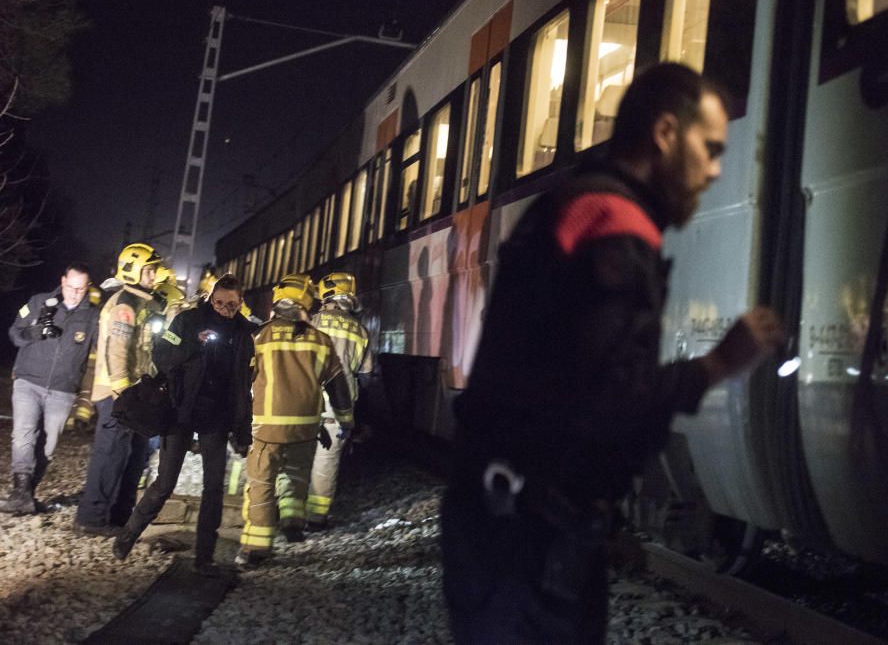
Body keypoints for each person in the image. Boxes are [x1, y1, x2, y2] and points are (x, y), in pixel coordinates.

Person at [440, 63, 786, 643]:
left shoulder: (572, 203)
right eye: (710, 148)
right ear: (666, 135)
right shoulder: (613, 220)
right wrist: (721, 362)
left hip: (503, 519)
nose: (715, 170)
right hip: (532, 535)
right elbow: (608, 396)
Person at [111, 274, 255, 575]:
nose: (225, 310)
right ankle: (128, 535)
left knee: (213, 489)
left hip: (216, 418)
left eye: (231, 305)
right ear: (210, 298)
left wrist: (242, 428)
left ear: (240, 303)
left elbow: (243, 385)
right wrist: (193, 344)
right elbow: (161, 356)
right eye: (219, 303)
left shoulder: (243, 332)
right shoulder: (188, 321)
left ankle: (205, 558)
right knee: (165, 483)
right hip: (180, 412)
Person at [236, 274, 354, 567]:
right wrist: (346, 421)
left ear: (276, 303)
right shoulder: (321, 340)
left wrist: (235, 422)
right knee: (296, 476)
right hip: (306, 428)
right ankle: (292, 522)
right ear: (306, 304)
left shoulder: (258, 337)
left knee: (261, 485)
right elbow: (338, 387)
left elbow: (240, 383)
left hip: (265, 429)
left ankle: (256, 548)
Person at [74, 243, 166, 537]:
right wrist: (124, 394)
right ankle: (91, 518)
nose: (154, 275)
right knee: (110, 456)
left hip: (132, 394)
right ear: (135, 271)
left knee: (132, 457)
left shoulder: (141, 302)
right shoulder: (126, 304)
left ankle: (119, 517)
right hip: (118, 395)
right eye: (150, 270)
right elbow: (117, 351)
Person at [1, 263, 100, 514]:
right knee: (24, 434)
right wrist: (33, 333)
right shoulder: (39, 302)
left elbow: (99, 351)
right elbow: (14, 333)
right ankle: (19, 491)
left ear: (87, 287)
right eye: (70, 287)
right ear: (62, 280)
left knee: (49, 444)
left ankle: (27, 493)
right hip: (28, 381)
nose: (74, 294)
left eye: (80, 289)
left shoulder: (92, 316)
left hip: (63, 390)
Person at [289, 271, 374, 530]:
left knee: (296, 460)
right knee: (325, 464)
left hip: (302, 405)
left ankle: (291, 516)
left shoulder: (309, 322)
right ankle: (316, 519)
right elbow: (366, 376)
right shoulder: (360, 331)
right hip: (337, 411)